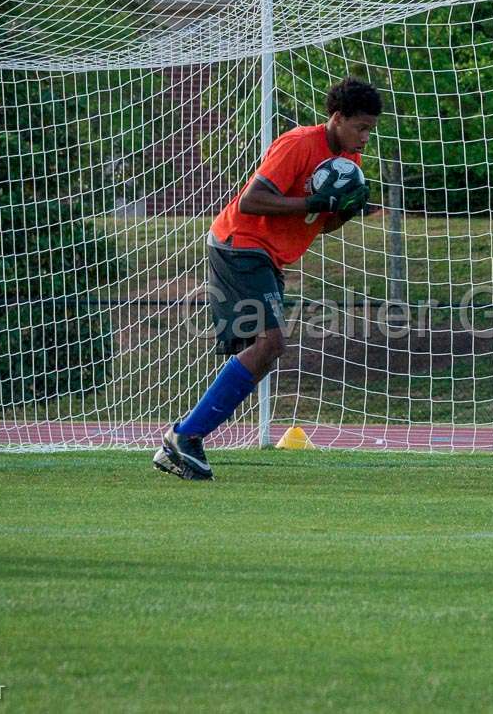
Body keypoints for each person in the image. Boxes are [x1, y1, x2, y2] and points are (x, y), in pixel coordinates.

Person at [153, 77, 382, 481]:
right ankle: (184, 437)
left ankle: (188, 438)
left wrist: (344, 210)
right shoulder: (299, 144)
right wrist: (313, 200)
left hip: (267, 257)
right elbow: (251, 200)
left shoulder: (349, 164)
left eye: (371, 130)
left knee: (265, 353)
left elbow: (320, 223)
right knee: (271, 342)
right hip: (240, 243)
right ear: (337, 118)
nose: (365, 137)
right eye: (361, 127)